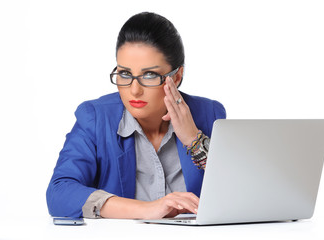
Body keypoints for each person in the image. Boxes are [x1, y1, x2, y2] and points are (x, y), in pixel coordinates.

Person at [46, 12, 226, 220]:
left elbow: (241, 191)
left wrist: (194, 140)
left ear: (176, 77)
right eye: (124, 74)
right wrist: (148, 209)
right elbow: (59, 193)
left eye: (150, 75)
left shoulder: (209, 114)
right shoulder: (96, 118)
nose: (134, 90)